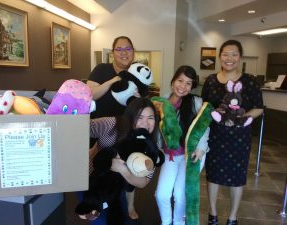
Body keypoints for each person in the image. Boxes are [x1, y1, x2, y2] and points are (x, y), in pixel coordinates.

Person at [201, 40, 264, 225]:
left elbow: (259, 107)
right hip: (215, 136)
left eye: (234, 54)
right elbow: (205, 108)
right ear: (220, 56)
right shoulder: (211, 80)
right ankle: (212, 214)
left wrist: (240, 120)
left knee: (237, 176)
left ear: (240, 57)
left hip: (239, 137)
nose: (230, 58)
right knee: (213, 175)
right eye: (226, 54)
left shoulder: (250, 81)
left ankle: (232, 216)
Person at [79, 97, 161, 225]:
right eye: (140, 117)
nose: (145, 122)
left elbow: (143, 182)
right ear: (130, 117)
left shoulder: (151, 146)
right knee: (98, 220)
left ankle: (128, 207)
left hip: (117, 187)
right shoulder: (112, 124)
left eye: (150, 118)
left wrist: (120, 168)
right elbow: (81, 128)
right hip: (88, 181)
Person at [86, 36, 140, 222]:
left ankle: (129, 204)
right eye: (119, 49)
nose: (124, 52)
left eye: (128, 48)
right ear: (112, 53)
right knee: (97, 167)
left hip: (124, 130)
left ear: (133, 51)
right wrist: (114, 80)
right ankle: (95, 203)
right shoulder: (102, 69)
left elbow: (139, 104)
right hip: (100, 128)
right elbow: (90, 93)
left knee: (126, 167)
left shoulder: (137, 71)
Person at [155, 65, 209, 225]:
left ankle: (178, 222)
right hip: (170, 155)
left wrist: (200, 148)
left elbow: (204, 128)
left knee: (180, 195)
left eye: (188, 83)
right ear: (173, 81)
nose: (183, 86)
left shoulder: (196, 102)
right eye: (180, 80)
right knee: (162, 194)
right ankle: (166, 222)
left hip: (191, 155)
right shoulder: (162, 101)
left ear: (192, 87)